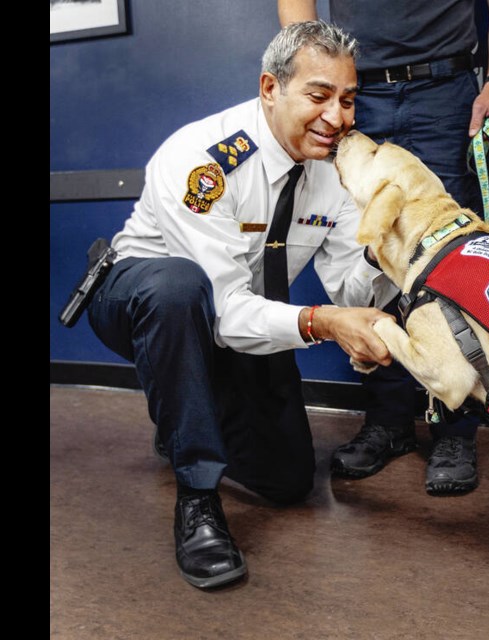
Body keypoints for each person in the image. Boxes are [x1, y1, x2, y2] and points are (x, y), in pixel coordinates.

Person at [85, 21, 397, 589]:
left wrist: (386, 249)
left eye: (349, 100)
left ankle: (182, 413)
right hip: (136, 299)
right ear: (270, 88)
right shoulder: (203, 161)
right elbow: (224, 312)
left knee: (288, 481)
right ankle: (197, 499)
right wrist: (323, 324)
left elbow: (349, 290)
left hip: (237, 315)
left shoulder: (333, 170)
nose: (338, 118)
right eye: (319, 96)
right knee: (178, 290)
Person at [278, 0, 489, 496]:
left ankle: (455, 429)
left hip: (445, 89)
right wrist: (319, 82)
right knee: (373, 256)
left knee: (451, 264)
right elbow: (297, 10)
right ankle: (389, 421)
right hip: (357, 91)